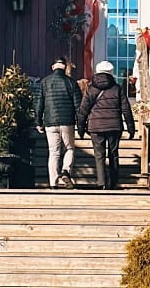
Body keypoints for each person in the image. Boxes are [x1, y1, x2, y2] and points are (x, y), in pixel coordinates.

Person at [77, 60, 135, 190]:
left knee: (99, 155)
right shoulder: (117, 89)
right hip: (114, 125)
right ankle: (113, 182)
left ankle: (101, 182)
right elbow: (126, 109)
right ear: (111, 73)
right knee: (113, 154)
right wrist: (131, 128)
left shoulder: (90, 89)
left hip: (95, 126)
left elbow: (83, 110)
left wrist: (80, 128)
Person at [36, 57, 79, 189]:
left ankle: (53, 183)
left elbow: (39, 104)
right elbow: (78, 105)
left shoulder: (44, 82)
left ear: (53, 67)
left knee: (54, 152)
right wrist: (81, 123)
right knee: (69, 148)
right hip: (67, 121)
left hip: (50, 122)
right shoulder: (71, 82)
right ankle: (66, 170)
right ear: (65, 67)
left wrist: (38, 121)